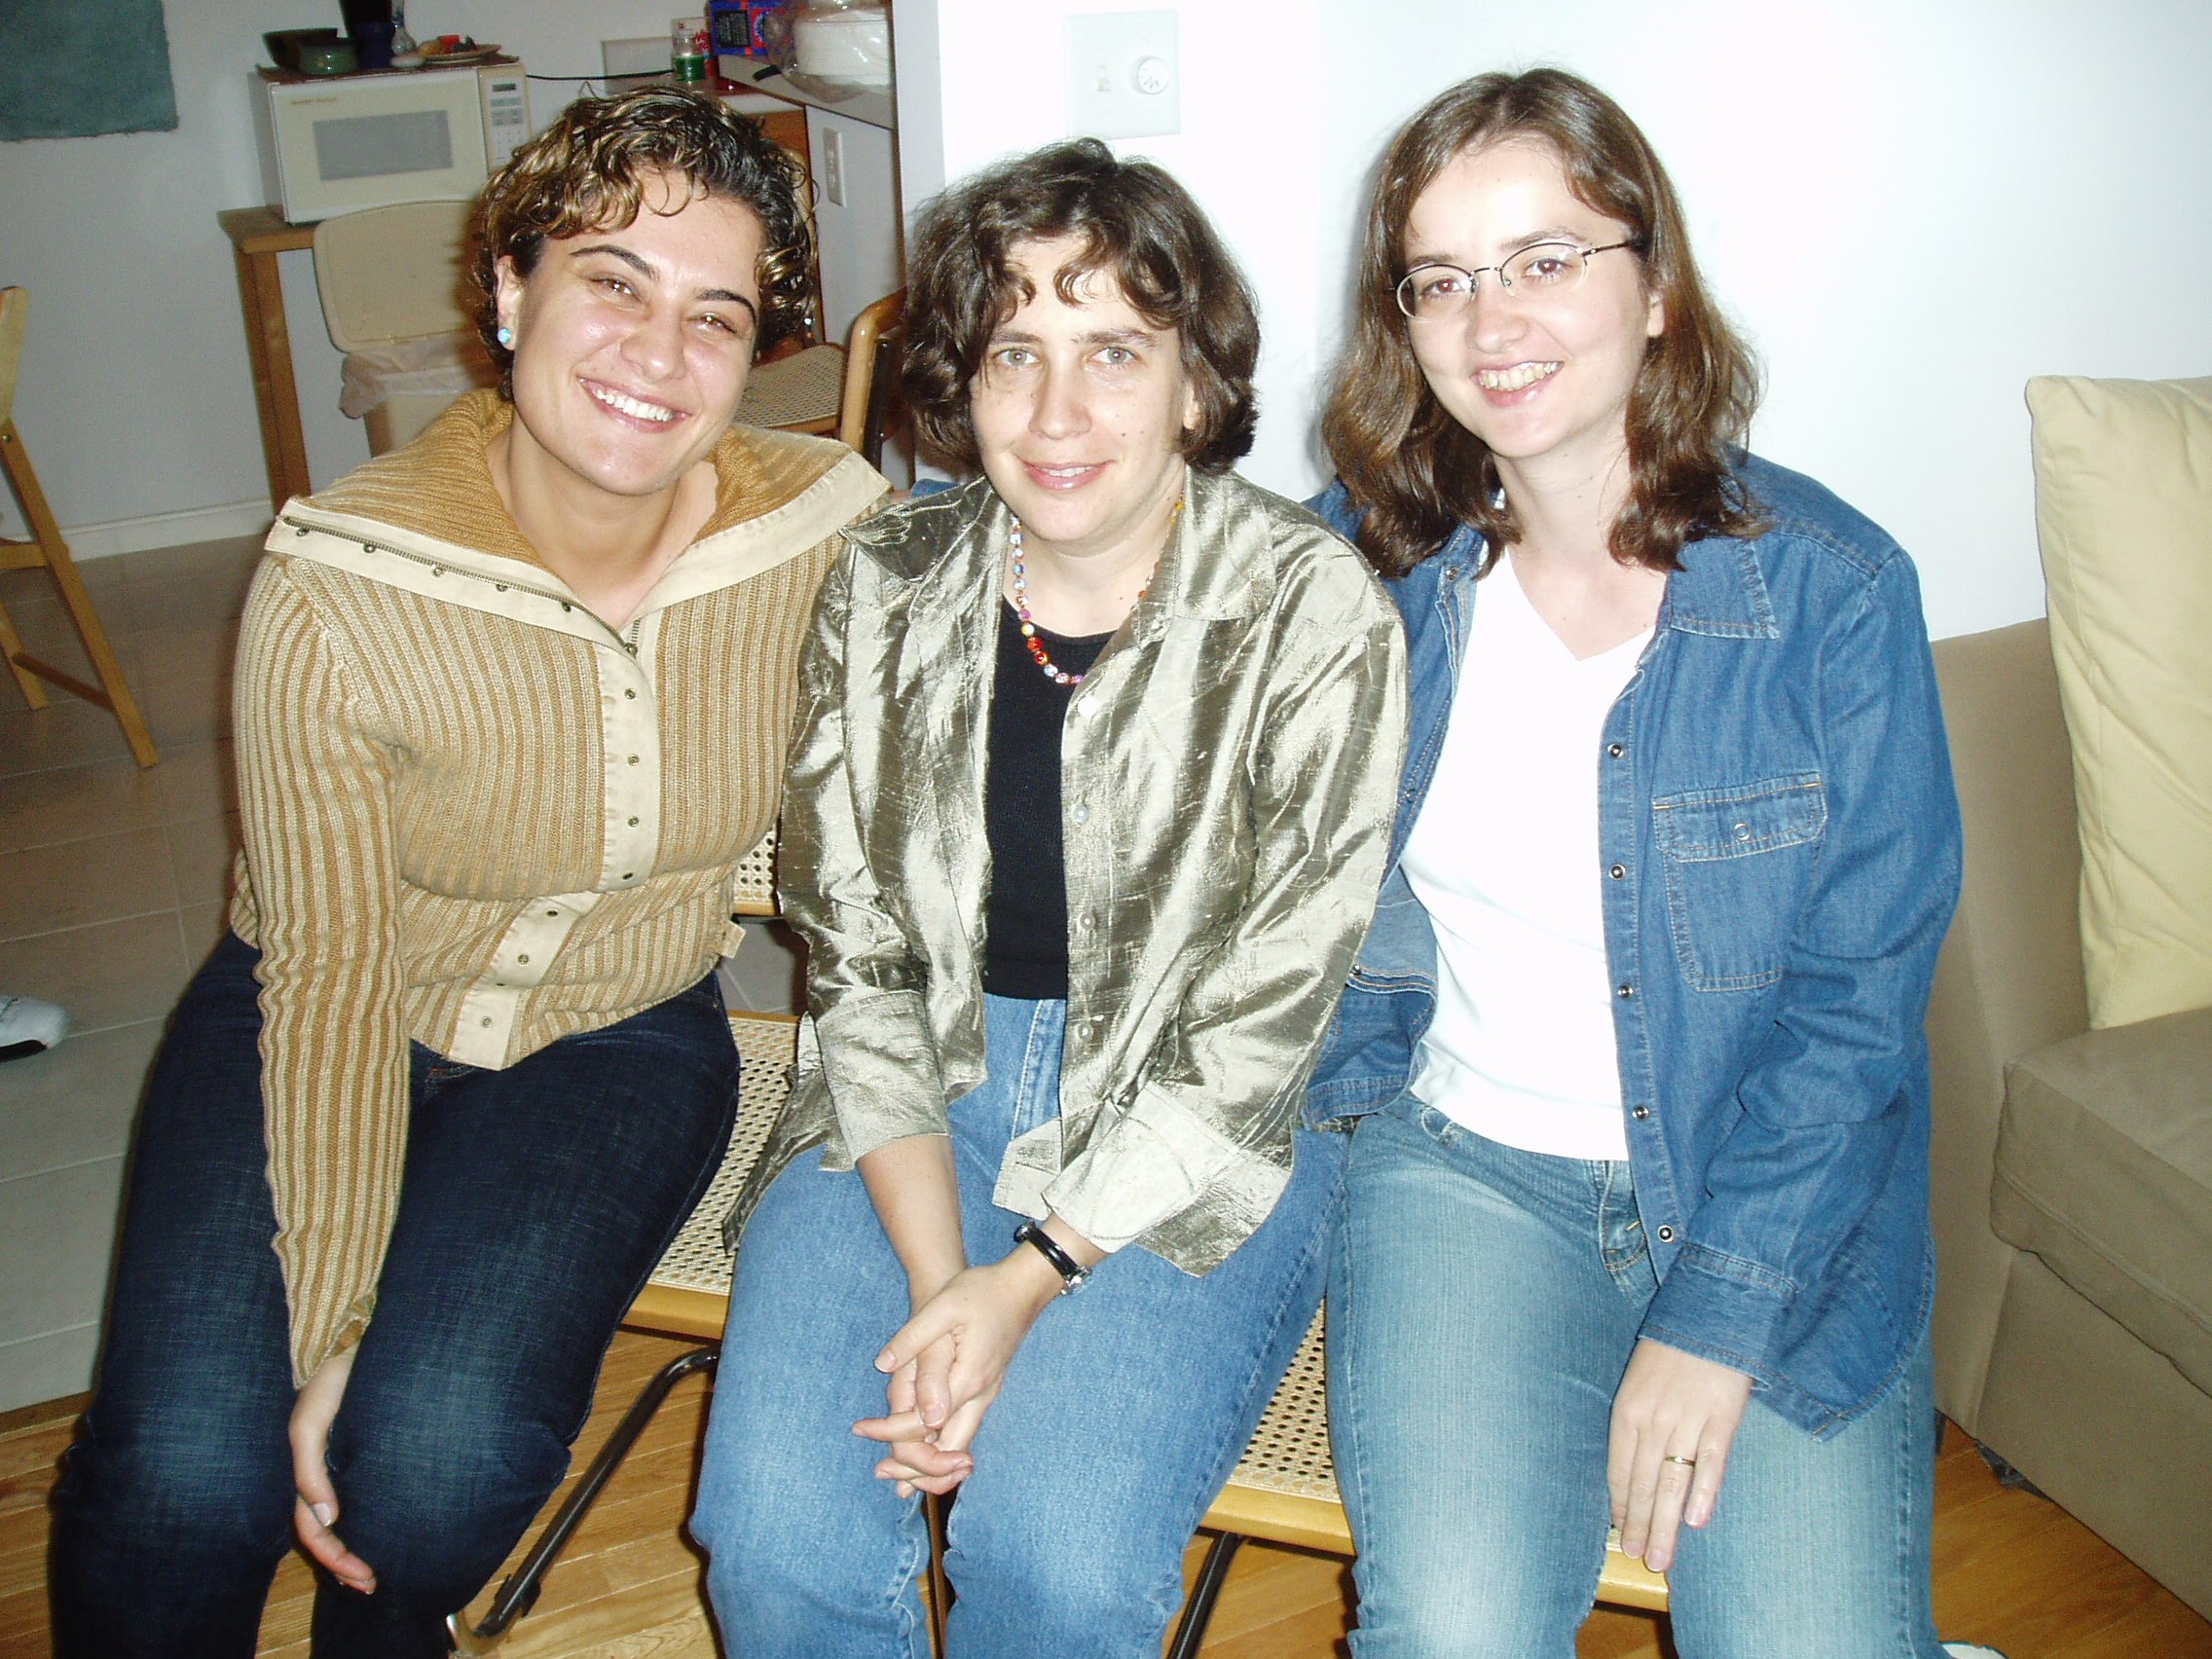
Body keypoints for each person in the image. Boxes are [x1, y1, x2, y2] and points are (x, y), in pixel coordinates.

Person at [51, 87, 886, 1658]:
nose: (659, 354)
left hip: (621, 1028)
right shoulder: (342, 577)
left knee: (431, 1465)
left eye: (714, 316)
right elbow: (324, 974)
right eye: (613, 283)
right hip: (332, 1002)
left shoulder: (824, 528)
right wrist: (333, 1320)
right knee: (186, 1476)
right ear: (510, 288)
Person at [1306, 68, 1995, 1658]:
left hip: (1777, 1197)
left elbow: (1856, 1014)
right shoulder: (1367, 568)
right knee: (1451, 1637)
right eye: (1441, 279)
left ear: (1658, 285)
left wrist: (1720, 1312)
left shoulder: (1832, 594)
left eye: (1545, 259)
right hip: (1467, 1175)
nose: (1492, 321)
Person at [688, 138, 1407, 1657]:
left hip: (1191, 1129)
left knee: (1056, 1563)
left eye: (1115, 352)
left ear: (1197, 388)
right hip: (909, 1098)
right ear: (966, 381)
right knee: (775, 1544)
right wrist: (944, 1285)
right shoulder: (889, 580)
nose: (1057, 412)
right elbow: (861, 961)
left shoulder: (1311, 613)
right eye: (1016, 351)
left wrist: (1027, 1286)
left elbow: (1265, 1026)